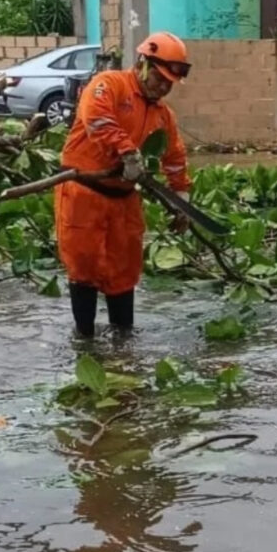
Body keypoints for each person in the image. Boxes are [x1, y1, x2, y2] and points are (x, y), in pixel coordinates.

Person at [55, 31, 192, 338]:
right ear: (143, 63)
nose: (164, 86)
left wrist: (180, 196)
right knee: (84, 267)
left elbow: (174, 156)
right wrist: (127, 151)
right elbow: (97, 118)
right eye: (160, 78)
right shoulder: (109, 85)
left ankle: (123, 340)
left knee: (124, 270)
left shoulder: (162, 115)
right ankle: (85, 340)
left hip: (124, 198)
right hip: (84, 192)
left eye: (170, 82)